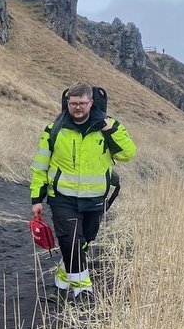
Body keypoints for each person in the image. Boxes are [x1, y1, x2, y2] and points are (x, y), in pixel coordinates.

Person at [30, 82, 136, 301]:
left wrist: (110, 130)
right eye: (73, 103)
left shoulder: (109, 127)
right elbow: (40, 166)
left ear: (91, 103)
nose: (77, 107)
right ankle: (83, 288)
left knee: (84, 241)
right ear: (67, 103)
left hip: (95, 198)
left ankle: (61, 282)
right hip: (62, 197)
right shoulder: (54, 129)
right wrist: (37, 198)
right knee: (71, 241)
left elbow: (128, 153)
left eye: (82, 103)